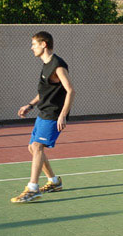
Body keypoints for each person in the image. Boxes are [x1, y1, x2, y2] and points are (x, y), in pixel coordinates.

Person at [10, 31, 75, 203]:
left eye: (34, 44)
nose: (32, 47)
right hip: (43, 112)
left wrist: (63, 115)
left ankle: (32, 188)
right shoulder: (46, 64)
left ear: (43, 44)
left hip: (53, 114)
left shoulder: (57, 65)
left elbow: (70, 90)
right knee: (32, 148)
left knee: (38, 146)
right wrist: (30, 105)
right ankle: (54, 182)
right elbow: (44, 92)